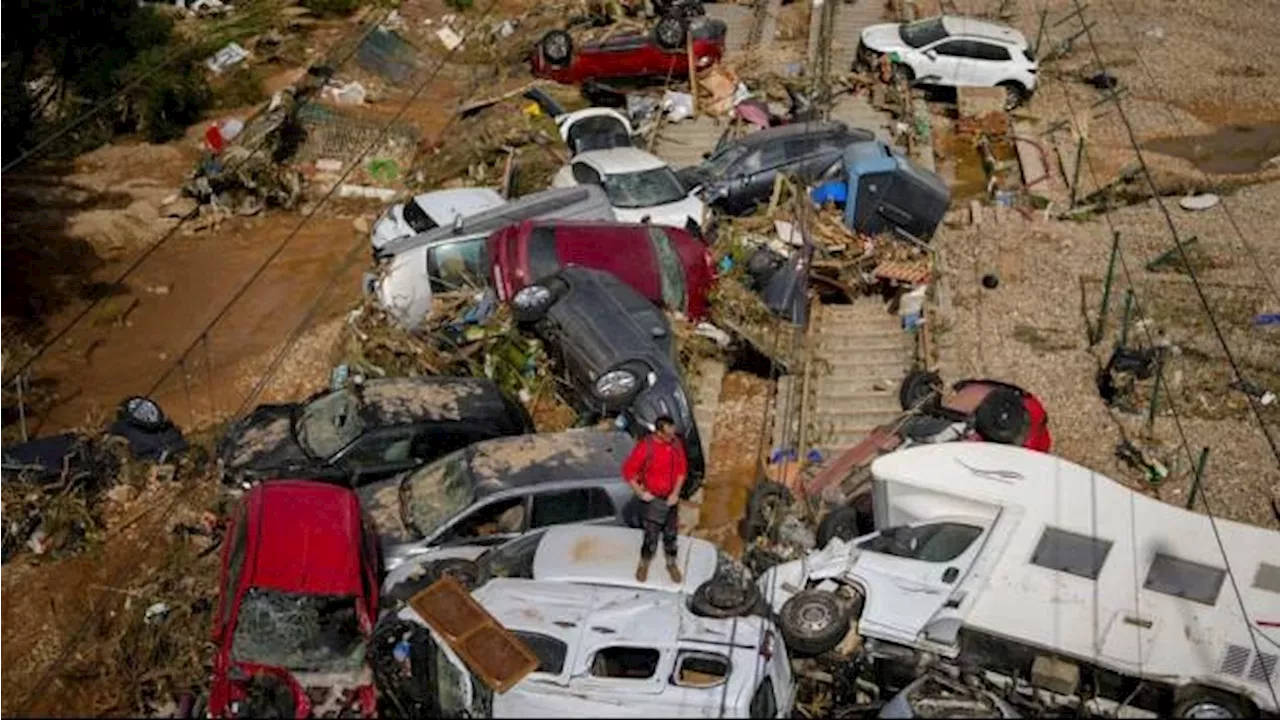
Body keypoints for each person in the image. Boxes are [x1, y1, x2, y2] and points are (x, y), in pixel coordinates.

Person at [620, 416, 688, 583]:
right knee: (651, 536)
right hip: (653, 500)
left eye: (673, 434)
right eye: (668, 435)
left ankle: (671, 564)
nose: (671, 438)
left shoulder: (675, 444)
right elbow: (628, 471)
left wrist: (676, 493)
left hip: (670, 499)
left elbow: (681, 470)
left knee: (671, 535)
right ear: (658, 432)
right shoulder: (646, 447)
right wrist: (641, 493)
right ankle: (644, 564)